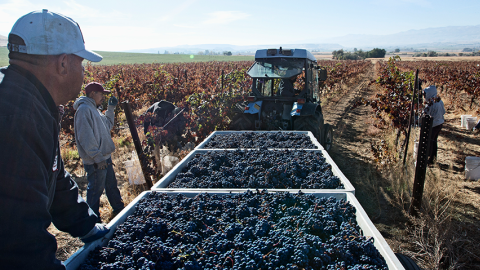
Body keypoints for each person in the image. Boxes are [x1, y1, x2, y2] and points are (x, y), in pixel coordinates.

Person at [0, 10, 109, 269]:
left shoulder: (30, 99)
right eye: (80, 63)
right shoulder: (16, 116)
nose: (83, 73)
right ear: (62, 64)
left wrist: (87, 226)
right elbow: (19, 238)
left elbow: (54, 176)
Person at [74, 82, 124, 222]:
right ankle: (93, 220)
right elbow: (85, 137)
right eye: (101, 94)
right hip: (96, 160)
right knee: (95, 190)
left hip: (104, 157)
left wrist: (111, 108)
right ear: (92, 94)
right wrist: (97, 157)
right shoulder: (84, 110)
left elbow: (107, 125)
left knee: (111, 186)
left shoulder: (94, 109)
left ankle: (119, 210)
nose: (103, 97)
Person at [423, 85, 445, 165]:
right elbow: (444, 112)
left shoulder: (432, 103)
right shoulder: (439, 101)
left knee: (430, 141)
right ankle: (433, 158)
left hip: (434, 125)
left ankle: (430, 159)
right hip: (439, 124)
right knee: (434, 141)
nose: (424, 96)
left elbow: (427, 114)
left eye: (425, 94)